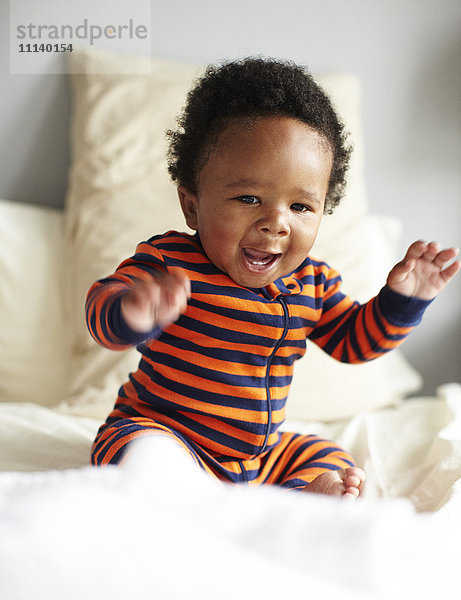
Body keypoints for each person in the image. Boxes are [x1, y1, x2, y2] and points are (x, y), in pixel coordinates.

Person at [87, 57, 459, 499]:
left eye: (300, 207)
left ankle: (310, 491)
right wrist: (131, 309)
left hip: (256, 458)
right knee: (134, 448)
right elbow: (102, 312)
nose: (276, 223)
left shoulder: (312, 283)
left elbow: (355, 342)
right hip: (166, 431)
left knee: (326, 451)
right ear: (192, 206)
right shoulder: (170, 262)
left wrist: (402, 300)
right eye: (249, 197)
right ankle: (184, 494)